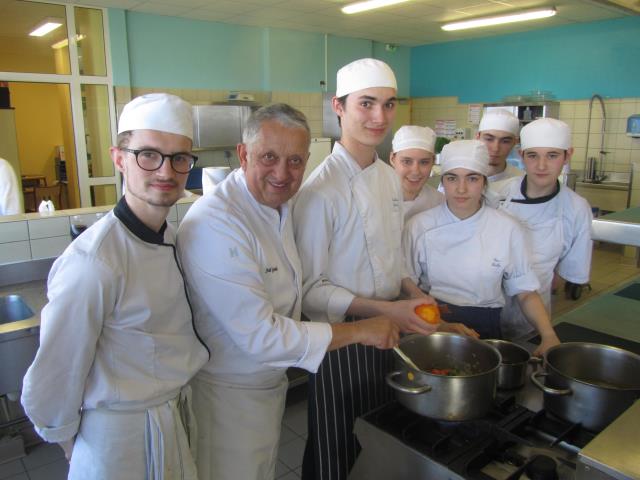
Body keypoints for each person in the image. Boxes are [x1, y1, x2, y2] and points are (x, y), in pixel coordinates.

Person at [176, 103, 400, 480]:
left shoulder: (278, 205)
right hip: (227, 394)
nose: (282, 173)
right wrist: (361, 329)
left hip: (265, 385)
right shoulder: (217, 223)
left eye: (295, 161)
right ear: (244, 154)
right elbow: (263, 336)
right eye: (269, 157)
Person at [21, 93, 210, 480]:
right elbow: (50, 383)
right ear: (119, 158)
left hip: (172, 420)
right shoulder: (93, 263)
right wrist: (80, 449)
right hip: (116, 443)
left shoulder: (172, 238)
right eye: (149, 155)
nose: (166, 171)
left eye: (179, 158)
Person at [293, 58, 444, 480]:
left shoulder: (387, 177)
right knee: (337, 442)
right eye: (366, 104)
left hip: (389, 329)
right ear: (337, 106)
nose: (380, 117)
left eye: (389, 104)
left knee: (380, 437)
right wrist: (385, 310)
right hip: (341, 340)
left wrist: (412, 293)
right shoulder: (319, 191)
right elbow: (310, 289)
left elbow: (390, 256)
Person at [402, 139, 560, 356]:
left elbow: (524, 290)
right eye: (452, 178)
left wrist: (548, 334)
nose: (461, 188)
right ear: (442, 182)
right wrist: (439, 325)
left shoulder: (507, 228)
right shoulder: (419, 226)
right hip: (429, 322)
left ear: (484, 182)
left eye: (472, 178)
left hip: (485, 327)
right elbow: (406, 285)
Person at [495, 118, 592, 339]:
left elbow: (566, 274)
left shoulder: (576, 209)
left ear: (568, 155)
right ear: (521, 156)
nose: (541, 165)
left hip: (531, 322)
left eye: (552, 155)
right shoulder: (495, 194)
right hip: (483, 313)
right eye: (533, 155)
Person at [389, 125, 443, 222]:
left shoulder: (439, 203)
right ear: (392, 159)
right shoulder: (374, 198)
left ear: (433, 161)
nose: (415, 171)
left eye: (424, 162)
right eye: (407, 161)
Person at [475, 109, 522, 189]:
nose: (495, 148)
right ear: (478, 137)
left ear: (515, 142)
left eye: (505, 141)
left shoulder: (521, 181)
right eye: (489, 139)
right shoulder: (459, 174)